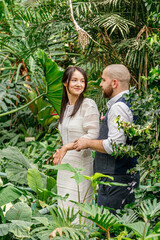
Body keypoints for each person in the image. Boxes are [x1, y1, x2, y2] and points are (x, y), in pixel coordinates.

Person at [74, 64, 139, 213]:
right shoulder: (131, 102)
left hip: (116, 181)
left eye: (103, 80)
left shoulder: (118, 107)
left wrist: (87, 143)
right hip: (124, 177)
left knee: (109, 229)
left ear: (114, 83)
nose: (101, 84)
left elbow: (115, 146)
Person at [53, 66, 99, 217]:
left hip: (80, 167)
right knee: (64, 210)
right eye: (74, 80)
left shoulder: (88, 104)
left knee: (77, 212)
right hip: (64, 168)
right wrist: (60, 151)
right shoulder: (65, 107)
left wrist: (67, 147)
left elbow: (93, 134)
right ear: (65, 82)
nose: (79, 84)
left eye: (82, 81)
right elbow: (65, 135)